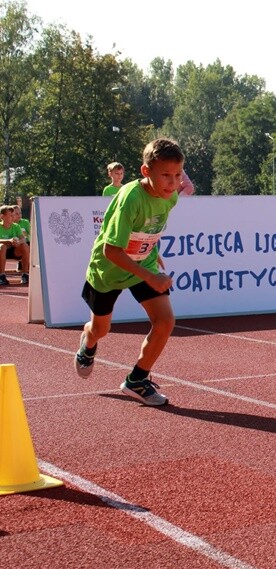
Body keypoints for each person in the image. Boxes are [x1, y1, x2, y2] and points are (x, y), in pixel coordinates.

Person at [74, 138, 186, 406]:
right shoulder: (130, 199)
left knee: (165, 321)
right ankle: (88, 342)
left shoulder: (169, 198)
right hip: (108, 270)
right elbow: (111, 251)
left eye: (177, 175)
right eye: (166, 176)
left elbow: (149, 227)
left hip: (142, 264)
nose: (172, 183)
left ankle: (137, 380)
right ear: (146, 172)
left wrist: (153, 251)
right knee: (101, 328)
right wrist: (150, 276)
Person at [0, 205, 30, 285]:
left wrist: (18, 242)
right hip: (2, 252)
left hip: (14, 251)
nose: (13, 217)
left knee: (25, 245)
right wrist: (8, 241)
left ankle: (25, 274)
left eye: (14, 215)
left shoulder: (16, 226)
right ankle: (2, 275)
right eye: (11, 215)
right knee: (2, 246)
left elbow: (23, 238)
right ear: (2, 216)